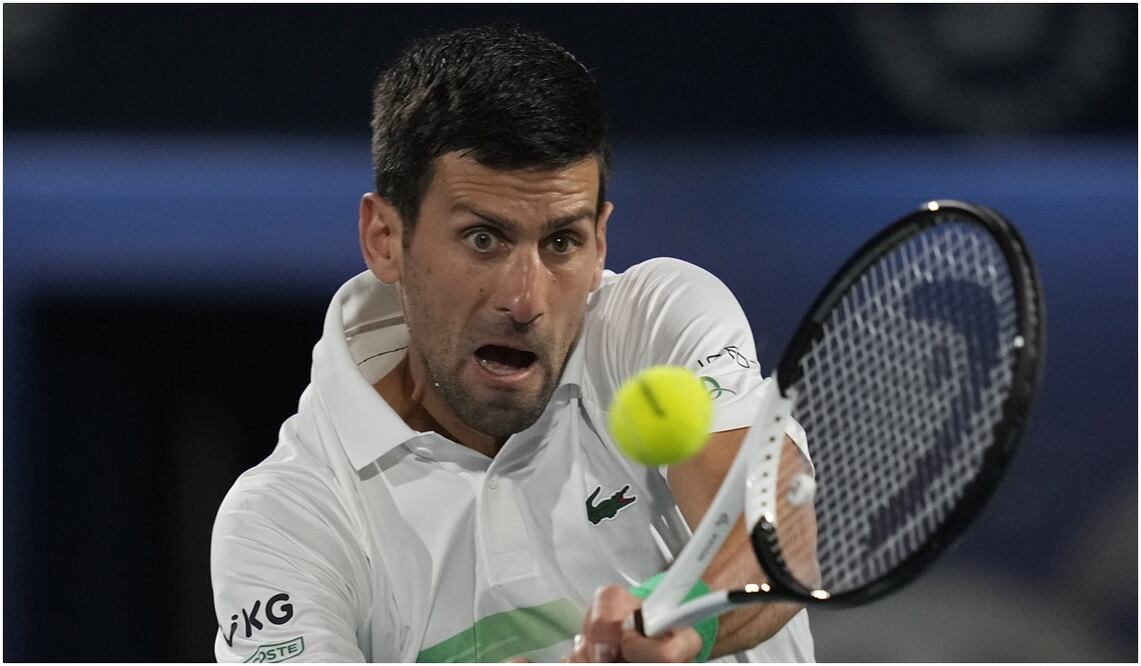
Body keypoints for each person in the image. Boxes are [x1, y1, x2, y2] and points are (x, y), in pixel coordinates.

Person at [211, 24, 815, 663]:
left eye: (561, 242)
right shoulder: (286, 521)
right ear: (385, 238)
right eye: (483, 239)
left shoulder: (653, 323)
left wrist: (684, 622)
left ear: (600, 243)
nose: (525, 300)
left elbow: (782, 532)